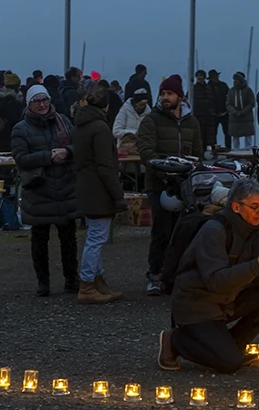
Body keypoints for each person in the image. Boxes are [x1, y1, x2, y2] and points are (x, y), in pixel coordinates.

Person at [158, 179, 259, 374]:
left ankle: (232, 345)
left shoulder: (252, 232)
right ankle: (175, 340)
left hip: (224, 303)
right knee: (229, 363)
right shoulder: (214, 230)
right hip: (197, 306)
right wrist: (258, 264)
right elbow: (216, 281)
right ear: (236, 206)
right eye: (254, 207)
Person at [11, 85, 78, 297]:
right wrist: (49, 156)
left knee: (69, 239)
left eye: (44, 100)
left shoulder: (64, 121)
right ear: (29, 104)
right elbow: (21, 159)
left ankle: (71, 279)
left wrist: (67, 151)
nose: (41, 104)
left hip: (66, 187)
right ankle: (43, 282)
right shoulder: (20, 129)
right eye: (36, 101)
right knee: (40, 239)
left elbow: (79, 145)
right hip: (39, 189)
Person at [138, 74, 202, 296]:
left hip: (185, 187)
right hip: (159, 185)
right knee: (162, 232)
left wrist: (192, 170)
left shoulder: (192, 122)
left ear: (180, 97)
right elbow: (146, 151)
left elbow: (197, 152)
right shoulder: (151, 120)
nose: (165, 97)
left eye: (170, 93)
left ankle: (176, 276)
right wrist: (164, 170)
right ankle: (155, 275)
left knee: (184, 232)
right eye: (163, 93)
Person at [74, 82, 127, 305]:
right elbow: (106, 166)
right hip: (99, 190)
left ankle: (96, 280)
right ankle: (87, 283)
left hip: (86, 187)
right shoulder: (100, 128)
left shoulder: (81, 124)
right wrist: (118, 196)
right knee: (96, 238)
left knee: (94, 236)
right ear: (106, 106)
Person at [0, 72, 24, 187]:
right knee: (6, 163)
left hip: (0, 135)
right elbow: (15, 119)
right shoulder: (11, 101)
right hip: (8, 135)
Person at [113, 88, 150, 152]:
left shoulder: (149, 113)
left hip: (141, 149)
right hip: (125, 149)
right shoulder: (124, 111)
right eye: (140, 104)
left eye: (144, 104)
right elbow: (116, 131)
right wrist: (133, 133)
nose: (143, 107)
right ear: (135, 103)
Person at [227, 73, 256, 149]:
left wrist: (243, 112)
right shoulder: (231, 91)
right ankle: (235, 151)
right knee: (235, 136)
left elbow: (251, 103)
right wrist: (234, 112)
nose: (235, 81)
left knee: (248, 135)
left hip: (246, 117)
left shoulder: (248, 90)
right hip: (234, 118)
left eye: (237, 80)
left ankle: (249, 151)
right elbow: (228, 104)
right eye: (234, 80)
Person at [192, 70, 216, 151]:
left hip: (208, 115)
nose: (199, 77)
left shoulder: (209, 88)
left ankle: (205, 151)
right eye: (198, 75)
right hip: (197, 115)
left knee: (207, 136)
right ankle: (198, 151)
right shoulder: (193, 88)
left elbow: (213, 100)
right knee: (198, 135)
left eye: (201, 75)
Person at [209, 70, 230, 150]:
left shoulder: (223, 85)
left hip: (224, 113)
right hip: (213, 114)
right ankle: (214, 150)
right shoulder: (208, 87)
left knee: (227, 133)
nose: (215, 78)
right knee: (213, 134)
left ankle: (228, 148)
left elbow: (228, 98)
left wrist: (227, 109)